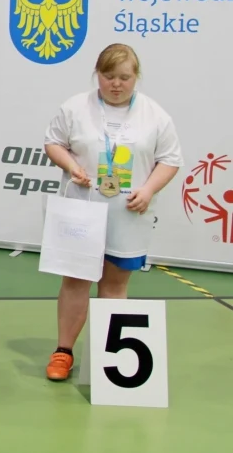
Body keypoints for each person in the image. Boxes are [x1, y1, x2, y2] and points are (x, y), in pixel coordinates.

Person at [42, 43, 182, 381]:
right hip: (83, 209)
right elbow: (53, 142)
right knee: (76, 280)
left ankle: (108, 357)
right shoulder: (76, 107)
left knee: (115, 283)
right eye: (108, 76)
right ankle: (63, 351)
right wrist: (72, 166)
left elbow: (170, 159)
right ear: (97, 74)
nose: (116, 84)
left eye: (124, 77)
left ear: (136, 77)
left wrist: (148, 190)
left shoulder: (155, 115)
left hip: (128, 213)